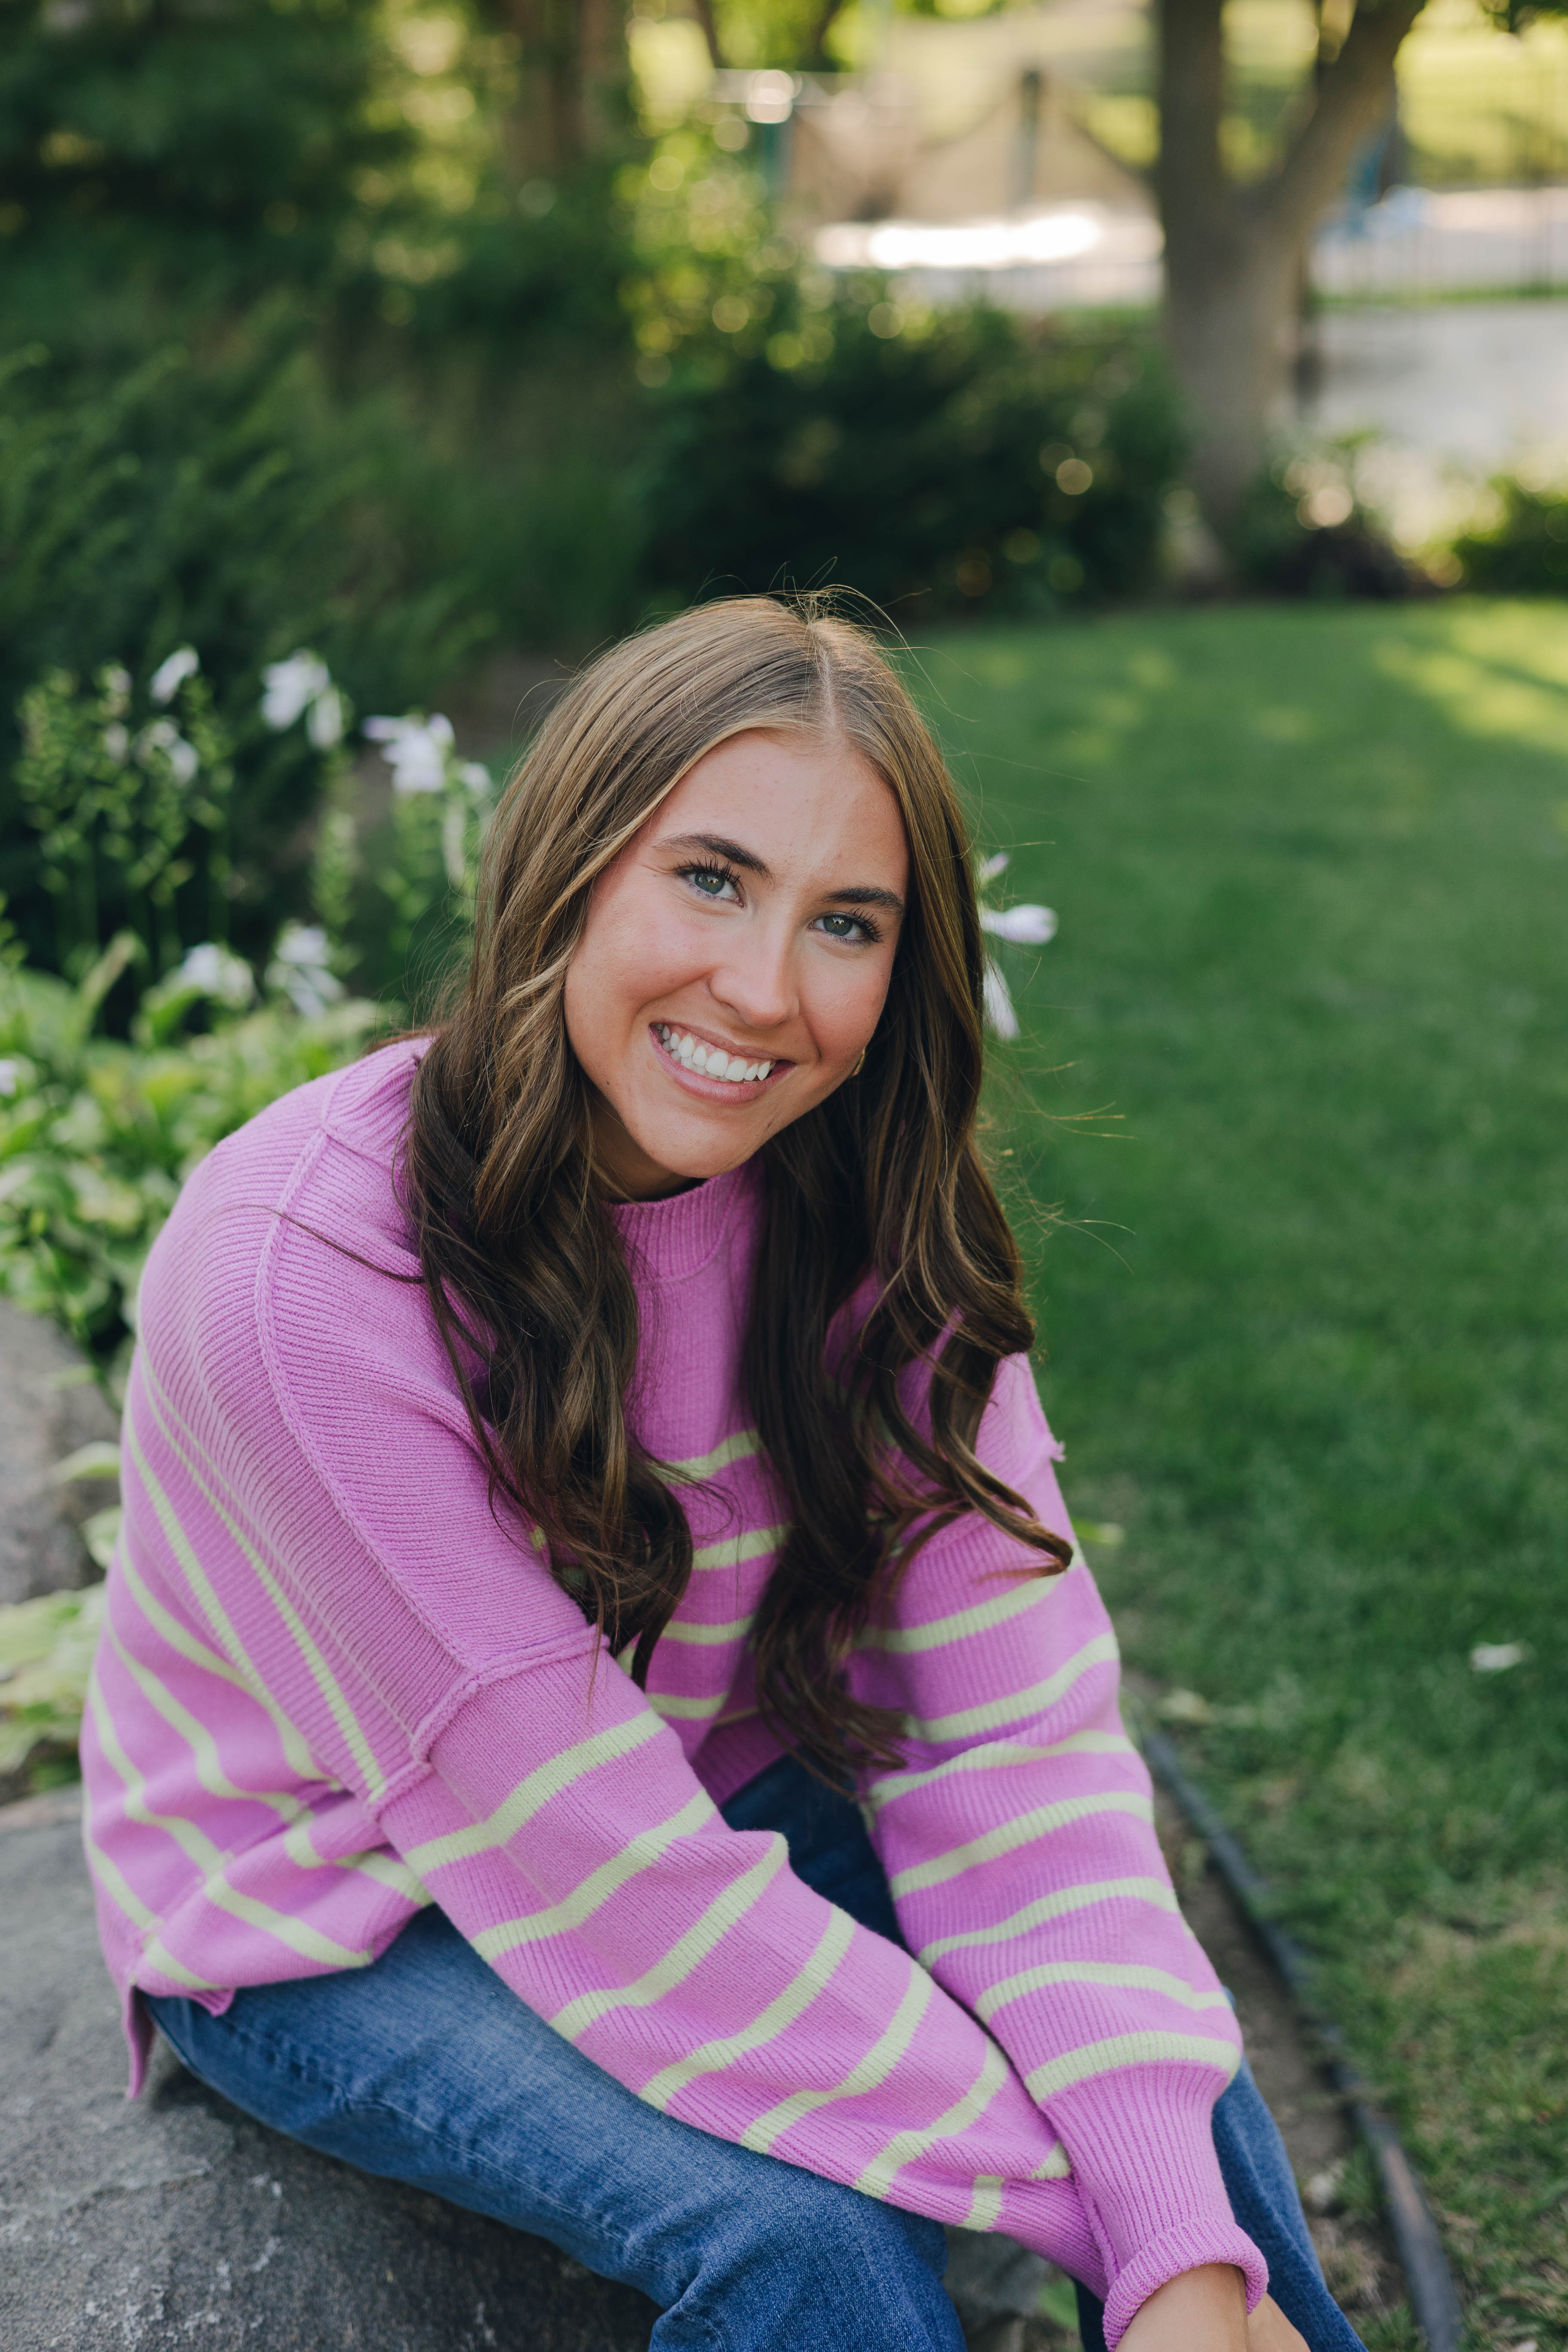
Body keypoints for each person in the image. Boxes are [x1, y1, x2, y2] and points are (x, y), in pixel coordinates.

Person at [82, 598, 1362, 2352]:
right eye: (709, 878)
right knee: (804, 2242)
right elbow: (590, 1866)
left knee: (1170, 2091)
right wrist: (1140, 2252)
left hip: (708, 1778)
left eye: (847, 922)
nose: (765, 990)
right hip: (342, 1906)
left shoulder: (866, 1215)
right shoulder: (298, 1278)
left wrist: (1177, 2221)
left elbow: (1007, 1748)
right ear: (568, 866)